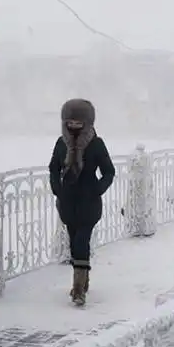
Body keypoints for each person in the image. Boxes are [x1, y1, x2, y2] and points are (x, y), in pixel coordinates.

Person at [48, 98, 116, 306]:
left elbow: (108, 171)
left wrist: (97, 190)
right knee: (73, 242)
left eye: (79, 122)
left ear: (88, 122)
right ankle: (83, 279)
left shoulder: (96, 144)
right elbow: (53, 168)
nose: (74, 126)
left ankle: (78, 289)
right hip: (68, 202)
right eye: (71, 122)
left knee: (81, 241)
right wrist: (57, 190)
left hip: (88, 203)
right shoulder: (61, 144)